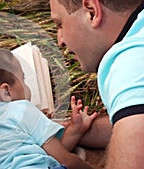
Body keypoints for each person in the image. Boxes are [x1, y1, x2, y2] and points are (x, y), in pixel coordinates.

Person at [0, 48, 98, 169]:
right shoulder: (21, 110)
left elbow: (48, 152)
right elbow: (64, 159)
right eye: (22, 80)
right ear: (6, 92)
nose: (26, 86)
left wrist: (75, 130)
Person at [49, 0, 144, 168]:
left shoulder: (131, 61)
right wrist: (72, 130)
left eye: (60, 24)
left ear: (92, 12)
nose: (60, 41)